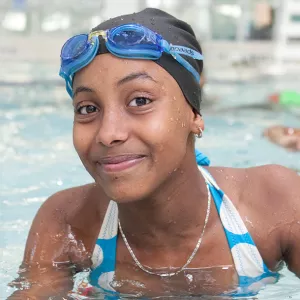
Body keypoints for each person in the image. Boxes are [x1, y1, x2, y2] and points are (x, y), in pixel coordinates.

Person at [9, 8, 300, 300]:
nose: (108, 134)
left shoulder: (276, 203)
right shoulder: (68, 221)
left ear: (194, 114)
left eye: (140, 100)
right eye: (88, 108)